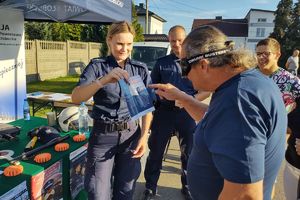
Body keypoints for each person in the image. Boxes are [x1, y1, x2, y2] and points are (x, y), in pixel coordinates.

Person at [149, 25, 287, 200]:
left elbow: (245, 194)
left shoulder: (238, 100)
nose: (184, 76)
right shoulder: (247, 82)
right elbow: (218, 122)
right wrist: (184, 98)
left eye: (184, 66)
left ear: (204, 65)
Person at [71, 21, 152, 200]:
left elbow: (146, 110)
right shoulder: (97, 66)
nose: (124, 49)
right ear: (109, 40)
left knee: (125, 190)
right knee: (97, 192)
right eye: (120, 43)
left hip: (131, 136)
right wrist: (104, 80)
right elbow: (76, 97)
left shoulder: (139, 69)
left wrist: (144, 137)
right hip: (103, 136)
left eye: (129, 44)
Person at [142, 25, 209, 200]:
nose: (176, 44)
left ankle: (187, 186)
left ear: (185, 40)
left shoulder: (195, 63)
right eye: (173, 41)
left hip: (186, 114)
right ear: (169, 41)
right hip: (163, 114)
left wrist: (189, 101)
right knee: (155, 152)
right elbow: (151, 88)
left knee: (189, 153)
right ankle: (150, 187)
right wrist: (158, 95)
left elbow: (206, 90)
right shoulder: (162, 63)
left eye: (180, 40)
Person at [256, 38, 300, 199]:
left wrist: (288, 127)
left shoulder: (292, 82)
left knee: (267, 183)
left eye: (266, 53)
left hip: (273, 142)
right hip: (248, 138)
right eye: (258, 54)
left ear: (277, 55)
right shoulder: (250, 77)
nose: (261, 57)